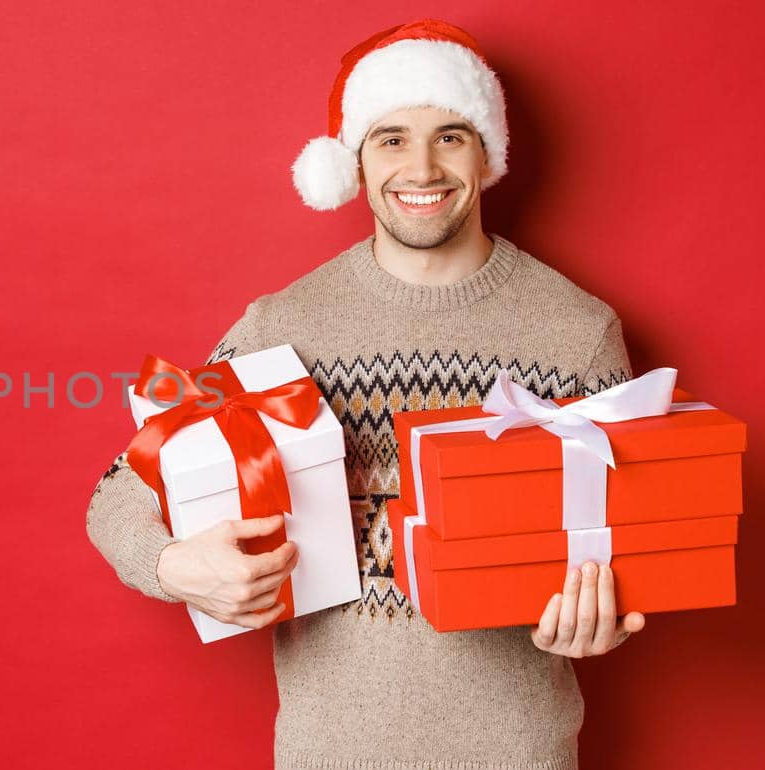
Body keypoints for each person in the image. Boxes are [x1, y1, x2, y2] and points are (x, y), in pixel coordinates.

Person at [85, 19, 645, 769]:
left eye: (450, 135)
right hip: (329, 752)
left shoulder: (577, 333)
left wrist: (605, 615)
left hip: (519, 752)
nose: (421, 166)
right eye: (390, 138)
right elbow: (121, 487)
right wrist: (173, 566)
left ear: (487, 153)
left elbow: (635, 546)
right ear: (352, 161)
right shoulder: (281, 327)